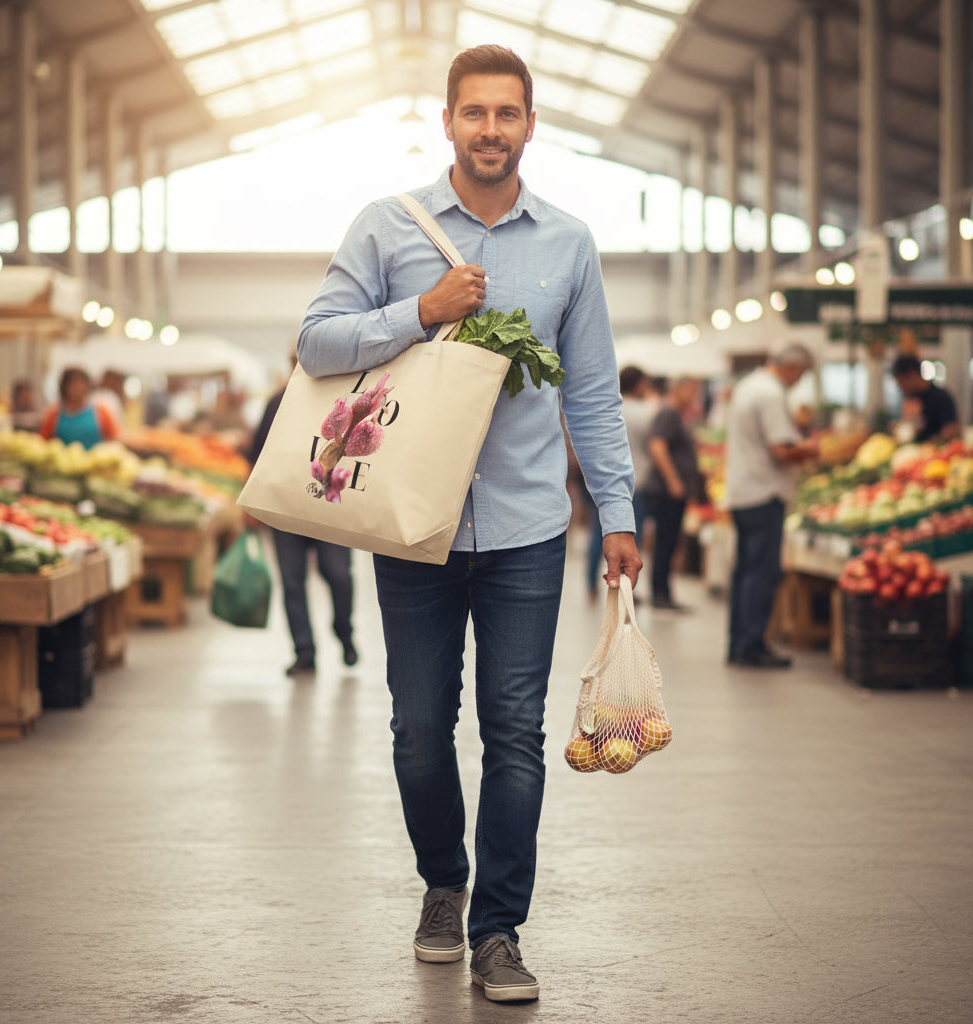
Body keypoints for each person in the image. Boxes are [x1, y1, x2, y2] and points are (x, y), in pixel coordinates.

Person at [296, 44, 641, 1004]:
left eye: (508, 114)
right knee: (417, 729)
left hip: (530, 523)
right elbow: (316, 340)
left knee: (517, 734)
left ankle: (497, 928)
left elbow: (596, 394)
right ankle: (442, 883)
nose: (491, 130)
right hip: (414, 525)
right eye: (475, 113)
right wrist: (419, 310)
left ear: (531, 125)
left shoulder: (569, 243)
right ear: (447, 122)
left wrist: (616, 509)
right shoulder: (385, 228)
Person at [247, 360, 357, 675]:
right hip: (287, 508)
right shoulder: (276, 402)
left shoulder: (340, 402)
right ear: (293, 363)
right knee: (293, 582)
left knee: (338, 574)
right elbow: (257, 456)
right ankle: (304, 651)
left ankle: (344, 631)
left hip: (330, 504)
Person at [725, 345, 819, 669]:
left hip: (741, 491)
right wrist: (811, 450)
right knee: (761, 573)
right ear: (793, 368)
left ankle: (739, 643)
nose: (800, 380)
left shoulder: (749, 386)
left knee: (744, 572)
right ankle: (752, 644)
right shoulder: (771, 394)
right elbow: (781, 449)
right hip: (764, 493)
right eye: (802, 373)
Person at [643, 375, 704, 611]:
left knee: (668, 543)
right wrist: (674, 481)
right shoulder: (668, 414)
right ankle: (660, 595)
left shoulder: (676, 415)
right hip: (666, 491)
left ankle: (663, 593)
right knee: (665, 543)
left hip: (670, 491)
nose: (694, 398)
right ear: (680, 389)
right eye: (692, 391)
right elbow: (657, 446)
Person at [620, 365, 661, 547]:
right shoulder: (647, 411)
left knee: (600, 530)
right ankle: (626, 574)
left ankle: (590, 575)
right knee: (632, 531)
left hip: (610, 476)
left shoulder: (613, 407)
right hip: (638, 478)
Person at [40, 366, 120, 448]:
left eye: (81, 384)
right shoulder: (54, 413)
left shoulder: (100, 411)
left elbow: (115, 437)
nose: (77, 389)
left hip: (93, 460)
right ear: (64, 387)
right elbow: (43, 441)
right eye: (72, 384)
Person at [890, 354, 960, 443]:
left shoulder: (940, 397)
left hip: (936, 452)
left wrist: (934, 442)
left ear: (912, 375)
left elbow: (952, 430)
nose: (901, 388)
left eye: (901, 383)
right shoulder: (911, 398)